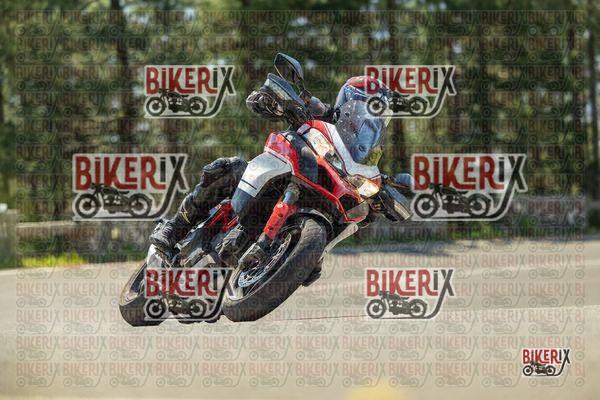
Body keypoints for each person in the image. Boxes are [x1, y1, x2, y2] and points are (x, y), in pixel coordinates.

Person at [149, 75, 413, 254]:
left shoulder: (369, 154)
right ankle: (175, 228)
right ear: (348, 101)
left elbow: (368, 178)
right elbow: (289, 99)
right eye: (360, 107)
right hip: (290, 169)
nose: (363, 118)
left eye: (374, 115)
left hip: (326, 190)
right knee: (230, 169)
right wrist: (273, 98)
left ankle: (306, 256)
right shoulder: (321, 111)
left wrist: (381, 194)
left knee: (352, 217)